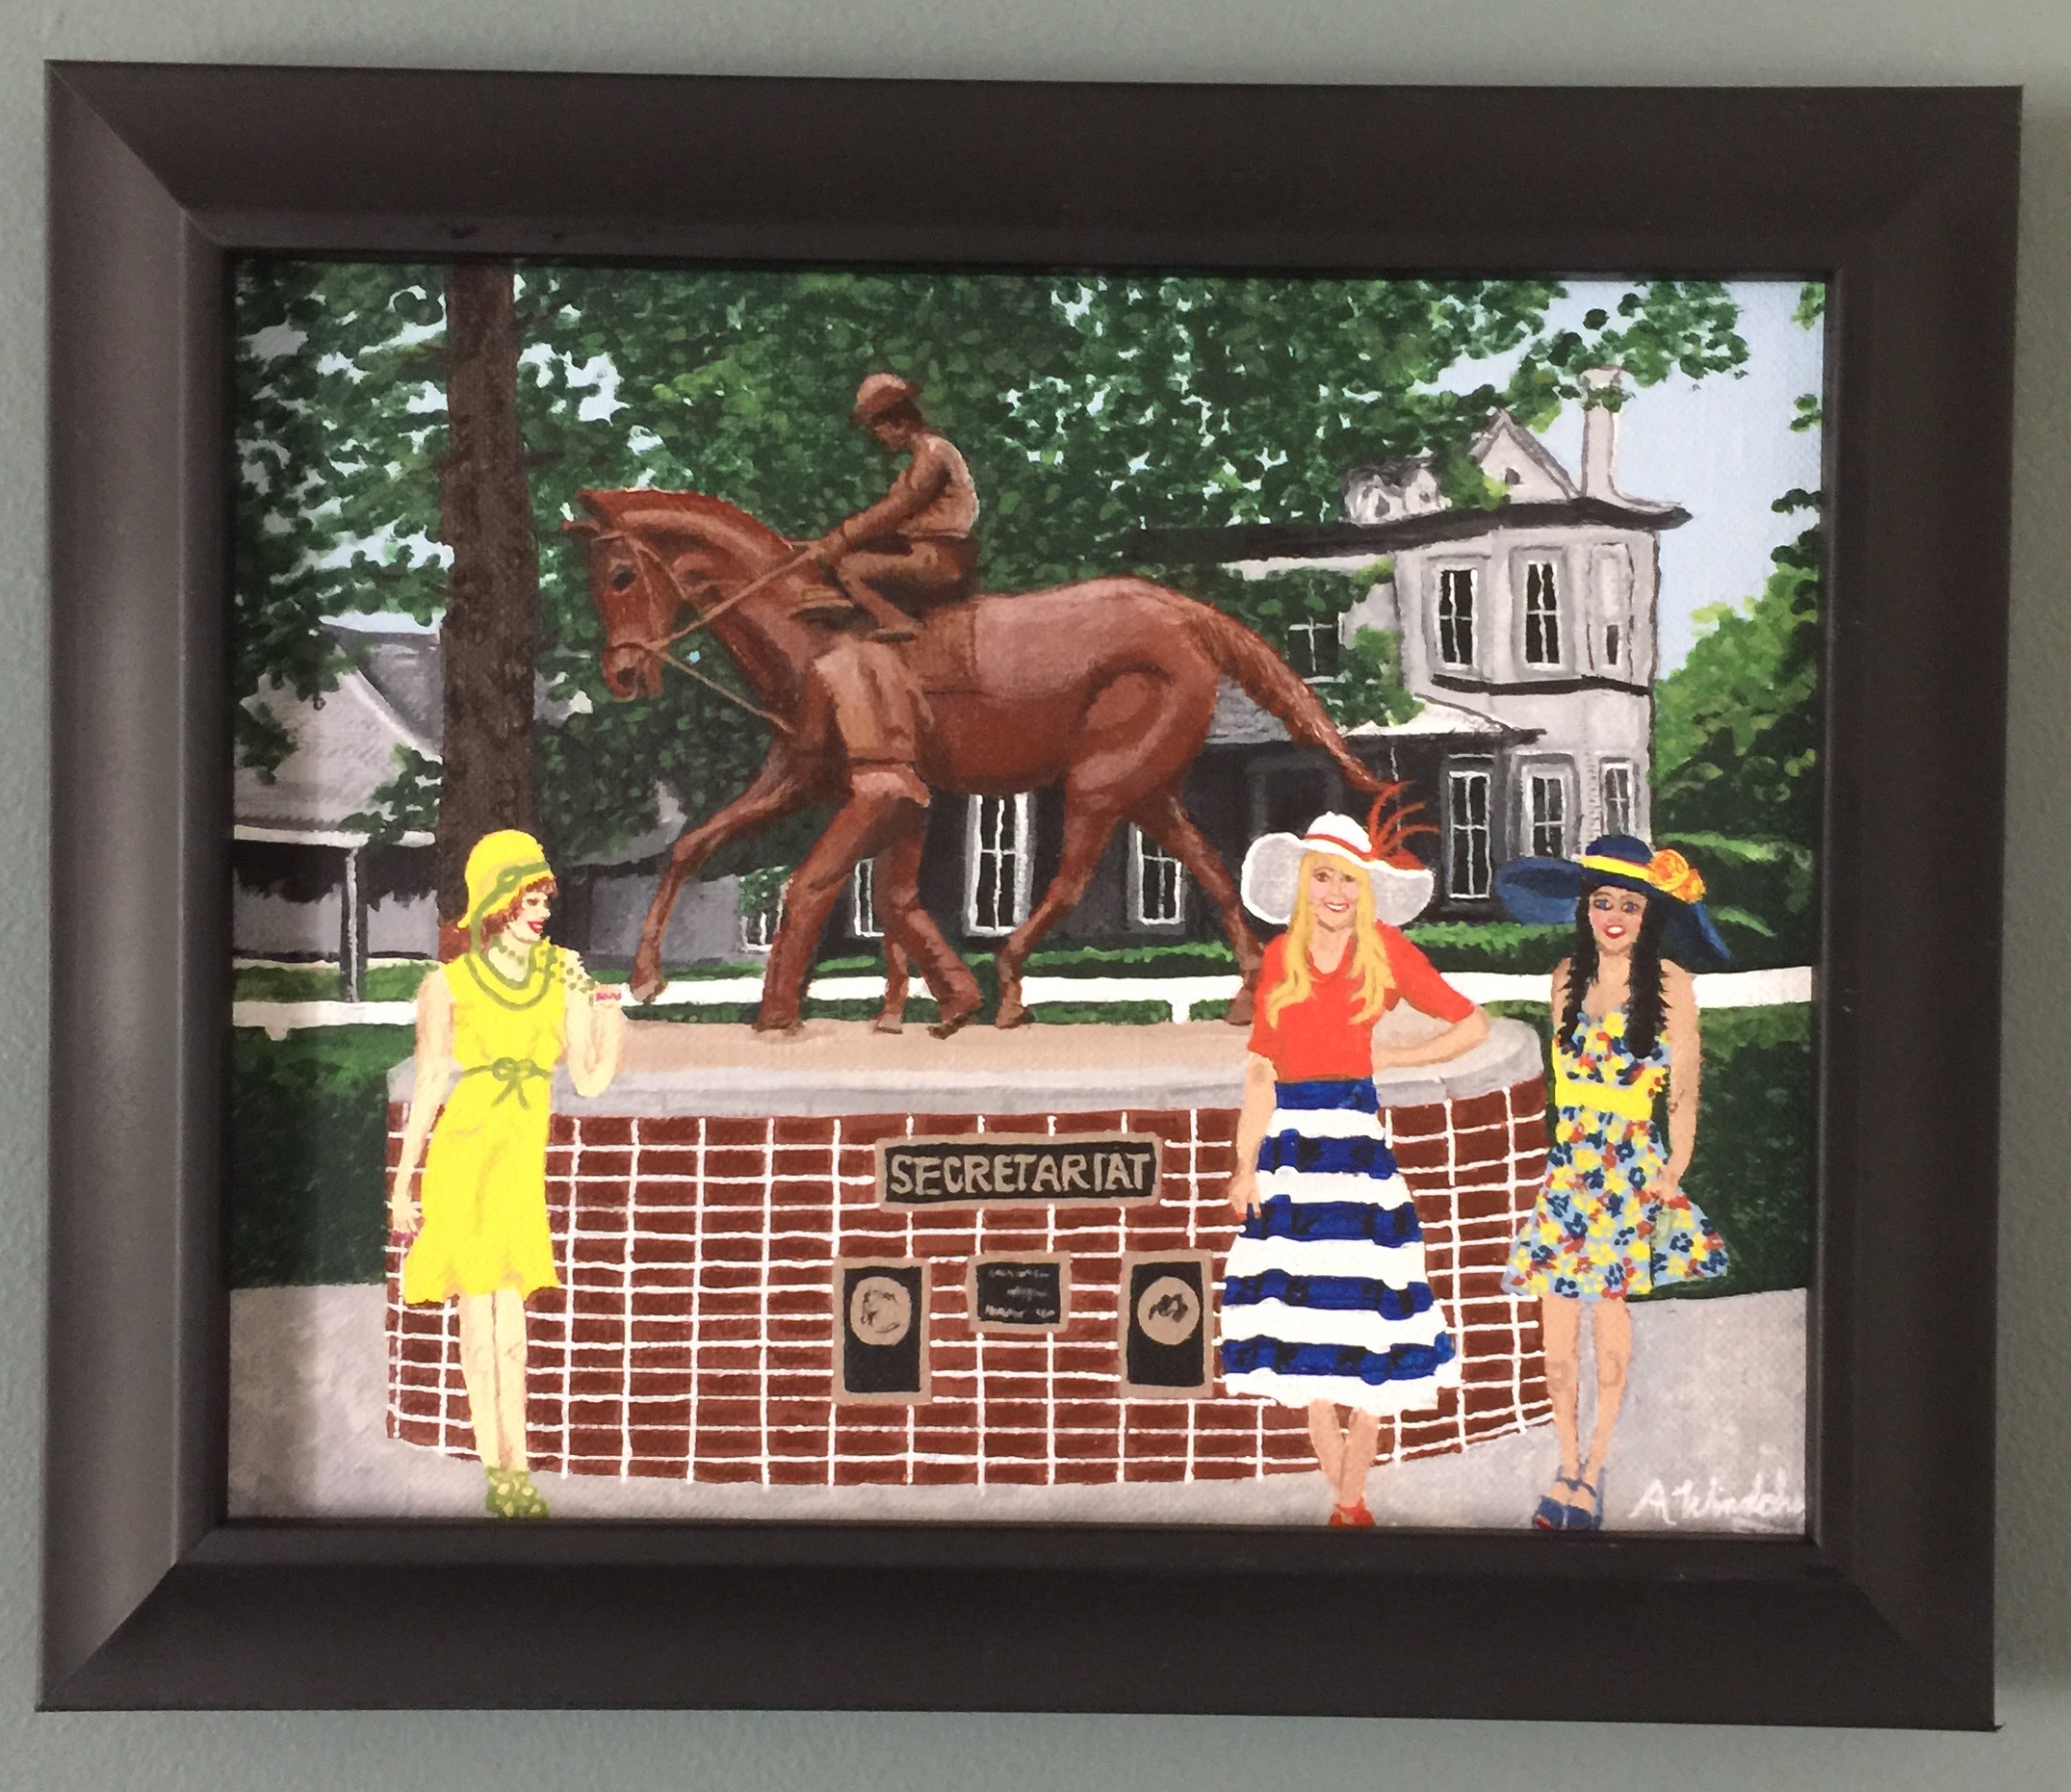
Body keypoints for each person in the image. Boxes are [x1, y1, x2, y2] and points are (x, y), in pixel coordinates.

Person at [1220, 802, 1490, 1526]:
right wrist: (1244, 1165)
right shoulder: (1280, 957)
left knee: (1373, 1321)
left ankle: (1349, 1501)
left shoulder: (1387, 950)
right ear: (1304, 882)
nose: (1335, 892)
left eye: (1348, 879)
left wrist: (1396, 1056)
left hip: (1357, 1151)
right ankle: (1344, 1502)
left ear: (1364, 888)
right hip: (1290, 1153)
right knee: (1302, 1327)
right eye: (1323, 877)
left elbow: (1473, 1022)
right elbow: (1258, 1071)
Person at [1494, 834, 1732, 1532]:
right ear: (1584, 906)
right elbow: (1559, 1088)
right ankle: (1563, 1465)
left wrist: (1672, 1169)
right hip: (1569, 1171)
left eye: (1629, 903)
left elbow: (1683, 1092)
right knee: (1555, 1338)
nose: (1614, 915)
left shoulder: (1671, 985)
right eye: (1602, 901)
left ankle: (1593, 1472)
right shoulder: (1564, 976)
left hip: (1629, 1171)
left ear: (1649, 912)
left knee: (1608, 1327)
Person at [388, 829, 628, 1519]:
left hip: (519, 1160)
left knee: (513, 1325)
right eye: (528, 896)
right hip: (464, 1153)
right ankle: (501, 1472)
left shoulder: (564, 972)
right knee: (479, 1320)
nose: (541, 909)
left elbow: (586, 1080)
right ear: (496, 901)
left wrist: (609, 1020)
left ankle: (519, 1464)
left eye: (544, 896)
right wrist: (405, 1182)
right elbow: (432, 1080)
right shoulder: (448, 983)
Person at [806, 373, 980, 642]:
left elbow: (896, 509)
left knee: (850, 568)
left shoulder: (933, 453)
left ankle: (900, 622)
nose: (879, 438)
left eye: (879, 430)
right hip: (926, 550)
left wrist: (842, 536)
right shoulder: (924, 455)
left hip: (940, 555)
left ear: (897, 422)